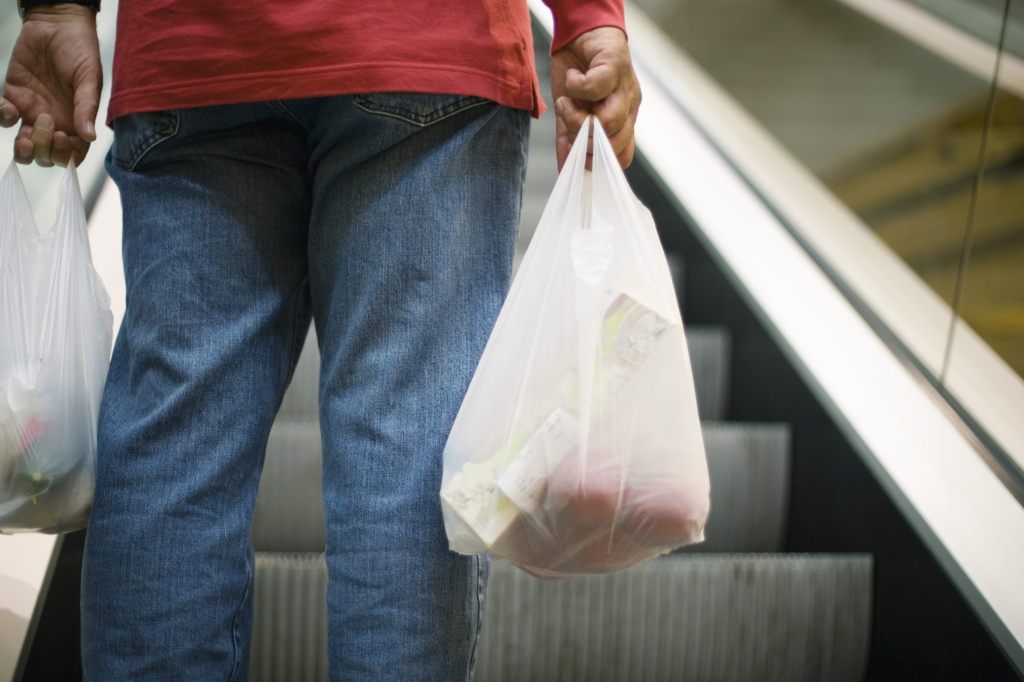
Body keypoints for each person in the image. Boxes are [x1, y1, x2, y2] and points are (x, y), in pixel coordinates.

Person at [2, 0, 641, 678]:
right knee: (407, 454)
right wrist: (588, 16)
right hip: (425, 42)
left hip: (198, 50)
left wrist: (58, 10)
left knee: (177, 446)